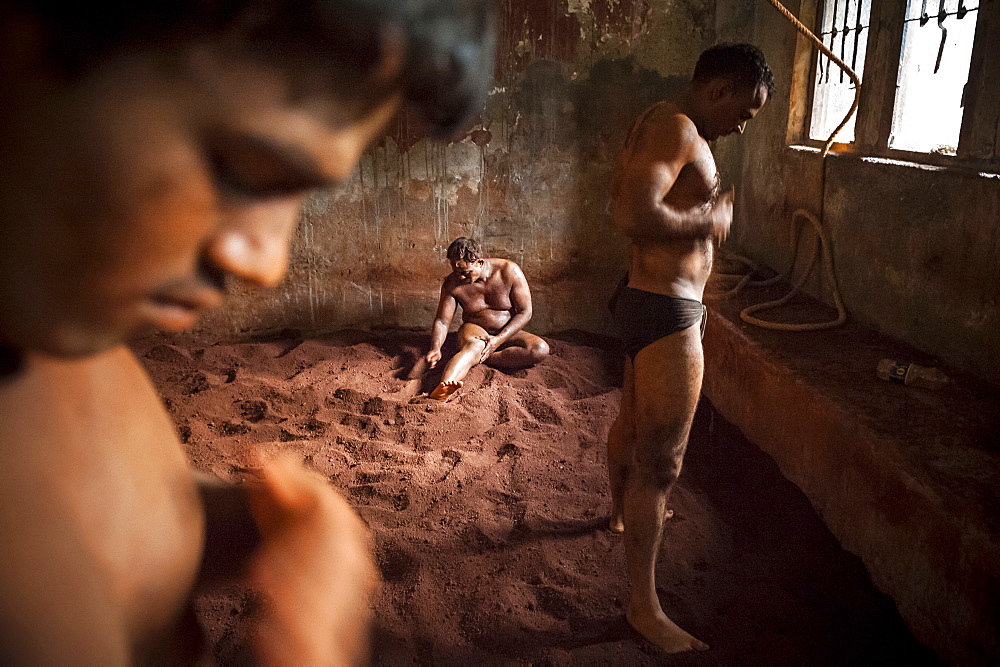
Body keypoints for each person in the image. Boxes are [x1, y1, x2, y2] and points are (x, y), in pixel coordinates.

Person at [0, 0, 495, 663]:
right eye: (242, 171)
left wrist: (266, 527)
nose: (267, 262)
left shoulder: (50, 336)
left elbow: (118, 527)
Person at [605, 43, 773, 653]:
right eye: (747, 110)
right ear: (721, 88)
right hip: (667, 309)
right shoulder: (677, 128)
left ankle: (621, 513)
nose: (744, 123)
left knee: (632, 422)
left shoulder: (661, 121)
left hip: (644, 299)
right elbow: (631, 210)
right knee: (664, 461)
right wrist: (708, 223)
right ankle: (644, 608)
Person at [424, 237, 549, 401]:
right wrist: (436, 347)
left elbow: (525, 311)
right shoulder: (452, 283)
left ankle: (481, 358)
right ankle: (443, 388)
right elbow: (442, 321)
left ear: (479, 262)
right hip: (475, 329)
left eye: (466, 273)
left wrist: (497, 341)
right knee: (474, 346)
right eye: (457, 272)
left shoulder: (509, 271)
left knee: (540, 349)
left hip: (507, 331)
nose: (461, 278)